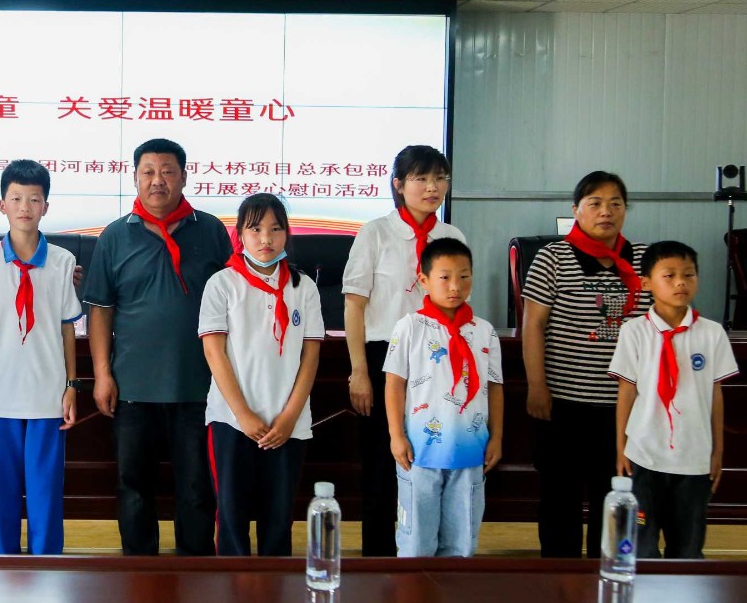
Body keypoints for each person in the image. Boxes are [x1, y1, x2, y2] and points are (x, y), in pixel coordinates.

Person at [83, 138, 230, 556]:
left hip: (198, 386)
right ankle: (138, 571)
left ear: (184, 177)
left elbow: (234, 300)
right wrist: (102, 374)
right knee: (133, 486)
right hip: (133, 386)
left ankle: (195, 569)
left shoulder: (211, 231)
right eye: (148, 172)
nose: (157, 181)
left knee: (197, 487)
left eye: (167, 172)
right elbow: (100, 311)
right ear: (135, 178)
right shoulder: (115, 236)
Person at [341, 145, 463, 556]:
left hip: (437, 361)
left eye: (440, 178)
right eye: (421, 178)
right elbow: (354, 305)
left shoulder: (452, 237)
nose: (432, 187)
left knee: (431, 463)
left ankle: (426, 555)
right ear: (398, 184)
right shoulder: (375, 233)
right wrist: (359, 371)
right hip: (382, 358)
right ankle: (377, 560)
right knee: (380, 466)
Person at [522, 171, 650, 557]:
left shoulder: (645, 259)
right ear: (576, 210)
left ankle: (606, 572)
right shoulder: (553, 258)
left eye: (615, 203)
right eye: (595, 203)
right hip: (564, 402)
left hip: (626, 407)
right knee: (559, 498)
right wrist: (537, 386)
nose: (606, 212)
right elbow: (533, 325)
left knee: (614, 499)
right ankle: (557, 578)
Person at [198, 193, 325, 557]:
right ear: (240, 234)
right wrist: (243, 414)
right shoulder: (222, 283)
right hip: (231, 420)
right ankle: (232, 589)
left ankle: (276, 589)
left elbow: (310, 355)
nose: (266, 238)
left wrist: (289, 416)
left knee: (278, 520)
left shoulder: (304, 287)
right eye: (255, 229)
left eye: (275, 229)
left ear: (287, 234)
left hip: (288, 424)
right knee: (232, 518)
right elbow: (214, 352)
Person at [0, 160, 83, 556]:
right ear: (2, 205)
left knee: (45, 490)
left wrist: (71, 385)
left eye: (34, 199)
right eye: (16, 198)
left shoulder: (63, 261)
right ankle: (1, 561)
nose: (24, 207)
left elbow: (67, 328)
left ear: (45, 207)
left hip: (47, 393)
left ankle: (46, 565)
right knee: (0, 489)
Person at [609, 241, 738, 559]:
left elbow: (715, 395)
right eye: (669, 275)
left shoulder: (712, 333)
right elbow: (626, 392)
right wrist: (621, 447)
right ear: (646, 283)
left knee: (688, 549)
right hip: (644, 456)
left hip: (694, 459)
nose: (681, 282)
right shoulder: (634, 331)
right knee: (641, 546)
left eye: (689, 275)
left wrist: (717, 450)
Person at [383, 238, 504, 558]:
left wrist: (496, 437)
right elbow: (394, 384)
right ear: (423, 280)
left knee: (461, 541)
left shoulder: (484, 331)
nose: (455, 286)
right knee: (416, 541)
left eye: (464, 277)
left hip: (470, 451)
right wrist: (396, 436)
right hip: (419, 452)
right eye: (445, 277)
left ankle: (454, 589)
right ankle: (414, 590)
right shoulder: (410, 327)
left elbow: (495, 387)